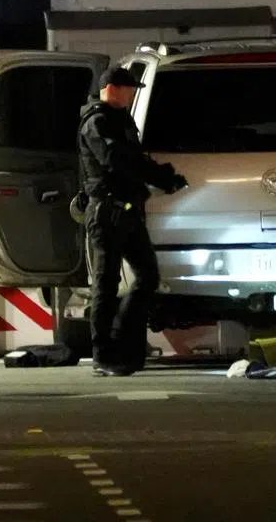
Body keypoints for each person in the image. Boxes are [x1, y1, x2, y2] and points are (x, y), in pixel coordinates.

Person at [77, 67, 187, 376]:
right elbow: (118, 161)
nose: (132, 95)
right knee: (106, 285)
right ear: (112, 88)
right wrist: (157, 176)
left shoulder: (119, 120)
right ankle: (104, 355)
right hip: (108, 212)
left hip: (127, 210)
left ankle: (124, 343)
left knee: (148, 277)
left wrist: (162, 176)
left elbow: (135, 157)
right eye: (129, 89)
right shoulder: (97, 122)